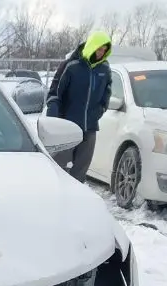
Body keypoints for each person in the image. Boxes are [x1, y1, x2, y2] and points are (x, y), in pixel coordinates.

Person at [44, 31, 113, 183]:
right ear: (92, 46)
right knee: (59, 169)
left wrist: (99, 111)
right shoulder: (71, 66)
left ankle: (75, 201)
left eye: (104, 50)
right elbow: (54, 94)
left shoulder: (105, 70)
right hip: (66, 127)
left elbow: (106, 95)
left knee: (80, 172)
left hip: (90, 129)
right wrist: (54, 122)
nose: (101, 53)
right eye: (99, 49)